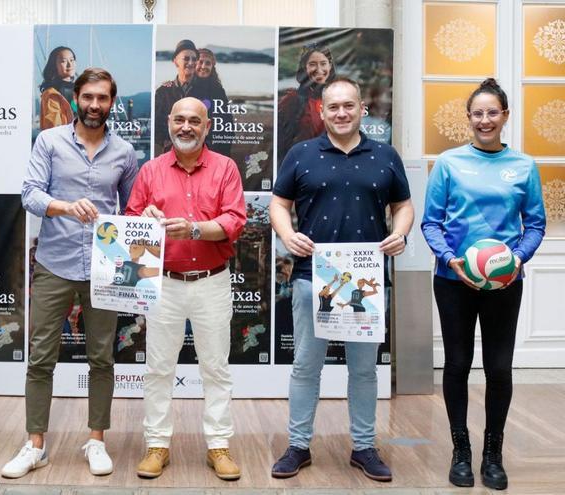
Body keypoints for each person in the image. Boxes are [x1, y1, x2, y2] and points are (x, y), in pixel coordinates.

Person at [270, 77, 413, 482]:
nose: (341, 113)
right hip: (310, 276)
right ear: (322, 110)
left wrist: (400, 233)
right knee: (305, 366)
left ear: (362, 108)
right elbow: (279, 204)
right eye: (333, 107)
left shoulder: (385, 155)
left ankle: (364, 447)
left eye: (349, 106)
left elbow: (403, 205)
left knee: (364, 369)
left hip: (366, 280)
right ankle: (298, 445)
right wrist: (285, 233)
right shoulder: (301, 153)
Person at [6, 67, 138, 478]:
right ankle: (35, 445)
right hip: (54, 263)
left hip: (105, 269)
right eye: (88, 97)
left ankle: (96, 440)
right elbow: (29, 193)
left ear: (111, 102)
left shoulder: (125, 152)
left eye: (103, 98)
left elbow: (131, 210)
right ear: (76, 99)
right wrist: (66, 205)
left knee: (101, 358)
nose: (95, 105)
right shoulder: (49, 140)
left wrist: (141, 216)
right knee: (41, 357)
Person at [421, 78, 545, 491]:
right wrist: (450, 258)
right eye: (478, 113)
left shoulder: (524, 166)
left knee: (499, 367)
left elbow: (536, 223)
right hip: (453, 279)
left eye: (493, 112)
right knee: (457, 364)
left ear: (505, 117)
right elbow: (431, 222)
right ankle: (462, 451)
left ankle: (494, 453)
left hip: (505, 284)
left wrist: (517, 260)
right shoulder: (449, 163)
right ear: (469, 118)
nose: (485, 120)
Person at [125, 96, 247, 481]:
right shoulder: (150, 170)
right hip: (163, 283)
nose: (186, 127)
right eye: (179, 120)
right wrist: (143, 216)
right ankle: (157, 444)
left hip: (212, 281)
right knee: (159, 368)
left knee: (216, 368)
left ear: (207, 126)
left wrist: (194, 229)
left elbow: (234, 221)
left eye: (195, 120)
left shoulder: (226, 168)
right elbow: (131, 221)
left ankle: (218, 447)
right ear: (169, 123)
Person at [277, 44, 337, 165]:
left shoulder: (338, 99)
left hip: (333, 166)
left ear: (330, 66)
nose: (319, 69)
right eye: (312, 64)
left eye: (323, 63)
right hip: (303, 166)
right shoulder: (293, 100)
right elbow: (282, 142)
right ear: (304, 68)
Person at [154, 39, 199, 155]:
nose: (191, 62)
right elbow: (157, 123)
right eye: (186, 58)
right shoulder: (163, 91)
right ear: (175, 61)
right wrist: (166, 142)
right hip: (171, 151)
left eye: (194, 59)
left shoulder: (206, 89)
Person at [194, 48, 232, 157]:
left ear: (212, 66)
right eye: (200, 62)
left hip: (214, 145)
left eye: (208, 63)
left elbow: (227, 121)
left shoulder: (218, 89)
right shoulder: (186, 87)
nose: (203, 66)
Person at [39, 46, 78, 130]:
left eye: (72, 60)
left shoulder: (79, 89)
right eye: (63, 61)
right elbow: (53, 128)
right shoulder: (52, 94)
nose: (69, 64)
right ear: (54, 66)